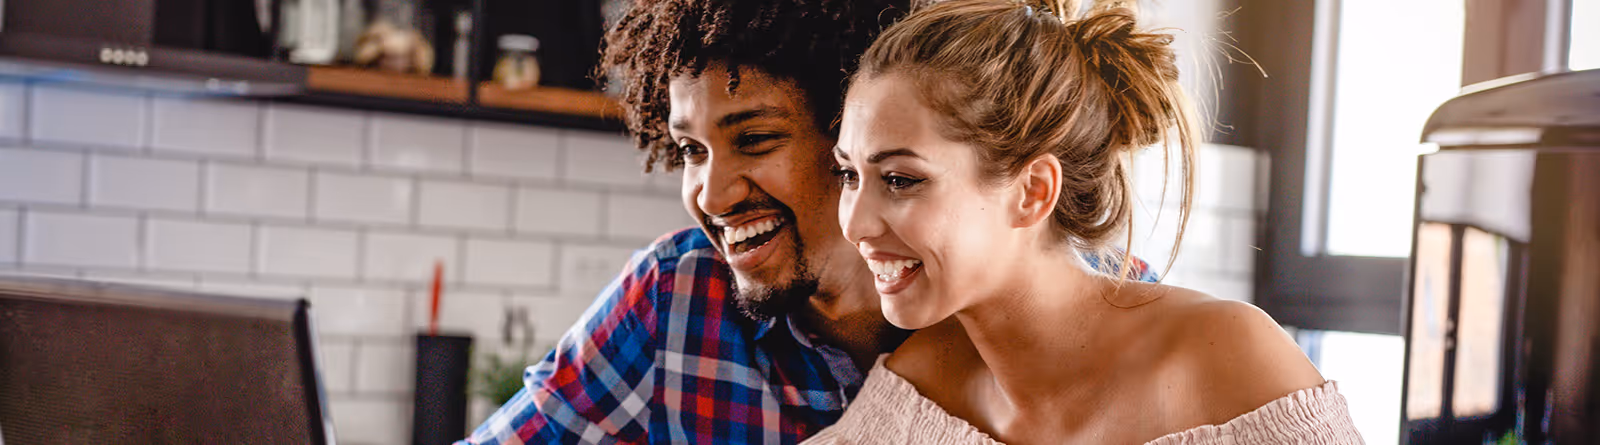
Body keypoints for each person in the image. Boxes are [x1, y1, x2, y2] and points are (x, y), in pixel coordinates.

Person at [459, 0, 1156, 443]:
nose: (714, 192)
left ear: (852, 137)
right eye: (692, 151)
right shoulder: (673, 297)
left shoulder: (1088, 307)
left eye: (756, 140)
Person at [808, 0, 1363, 443]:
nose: (855, 225)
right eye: (849, 175)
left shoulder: (1230, 362)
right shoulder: (921, 387)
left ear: (1033, 192)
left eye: (901, 180)